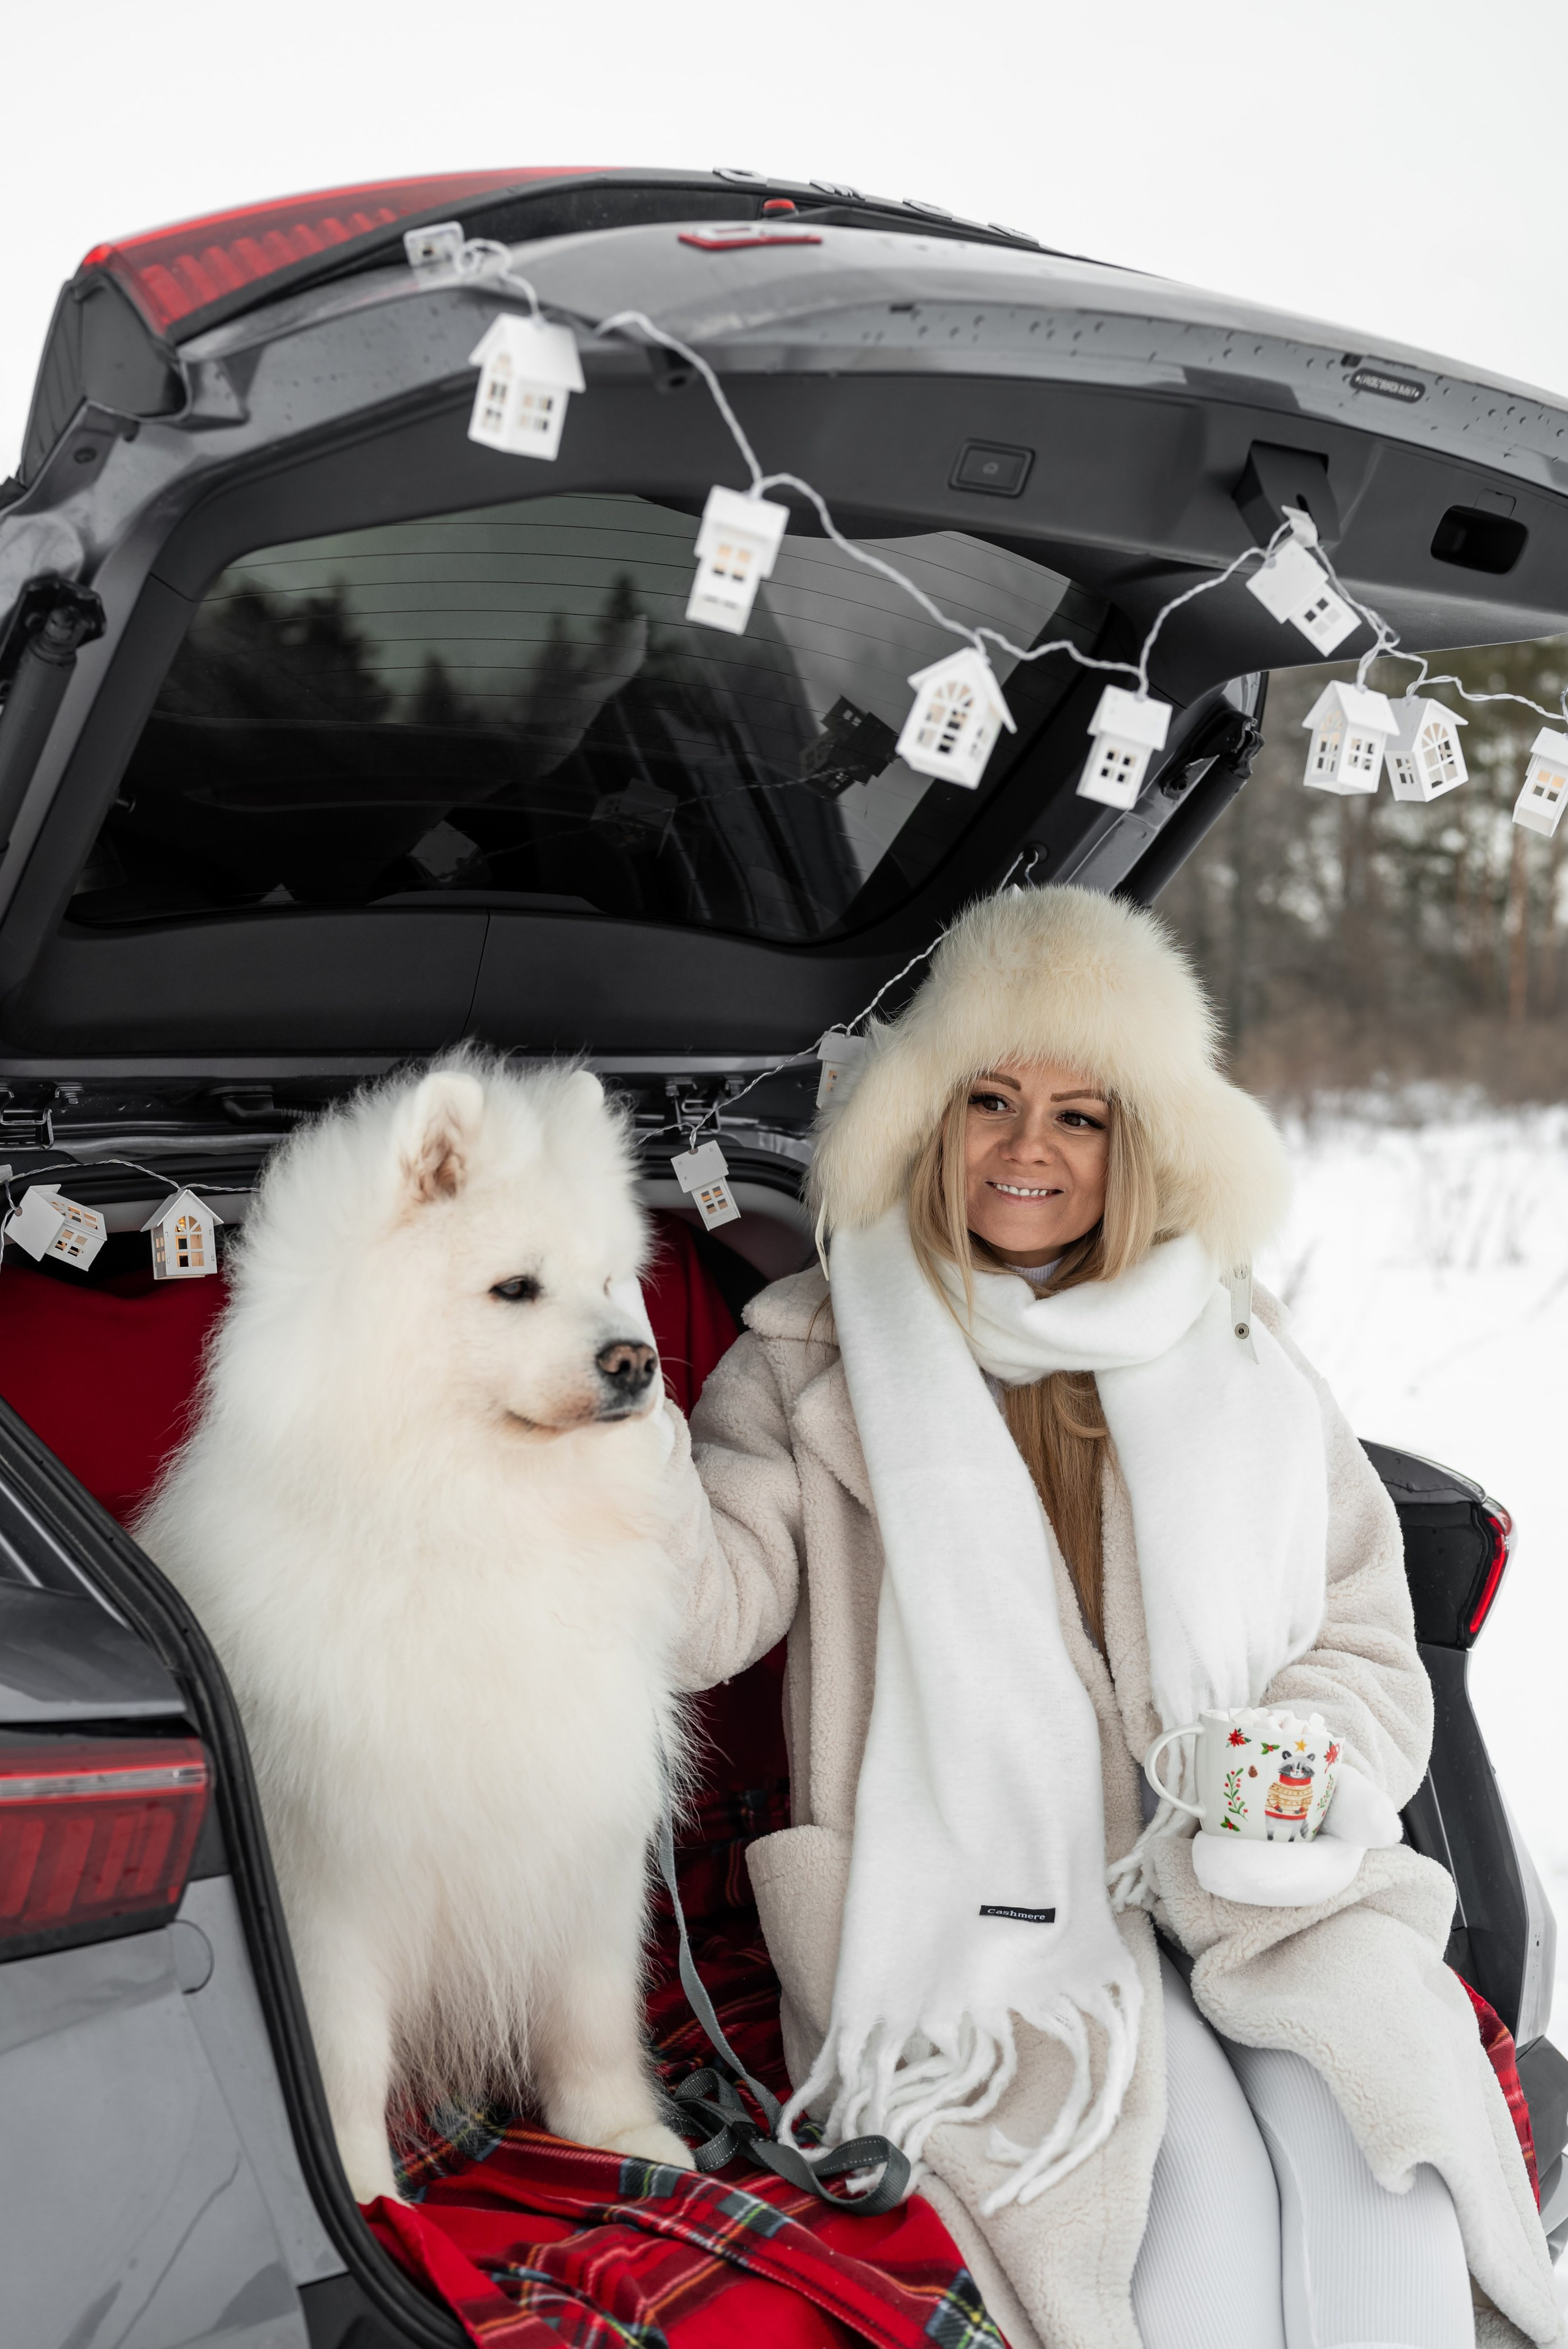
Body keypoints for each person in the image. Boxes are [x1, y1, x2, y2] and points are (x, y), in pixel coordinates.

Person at [660, 885, 1558, 2349]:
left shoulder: (1236, 1345)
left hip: (1258, 1887)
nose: (1027, 1151)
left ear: (1136, 1140)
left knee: (1379, 2195)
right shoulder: (808, 1361)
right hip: (983, 1920)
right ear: (922, 1120)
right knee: (1172, 2230)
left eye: (1080, 1115)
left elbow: (1360, 1632)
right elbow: (702, 1617)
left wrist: (1303, 1757)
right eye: (989, 1101)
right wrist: (597, 1435)